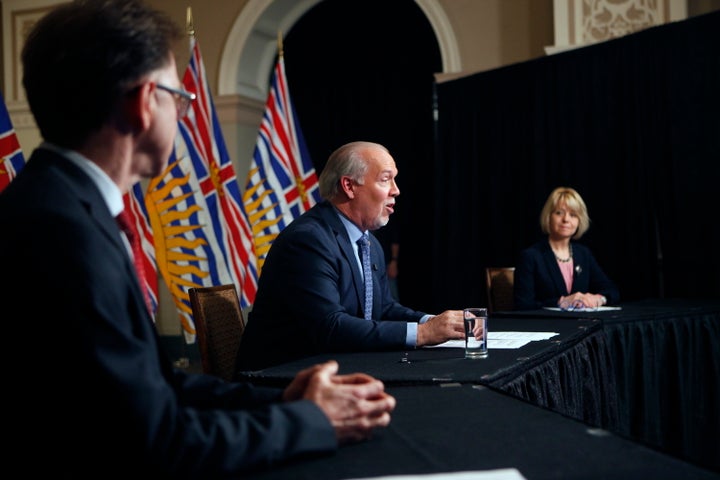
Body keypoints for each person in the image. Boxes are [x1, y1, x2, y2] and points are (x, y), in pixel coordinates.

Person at [0, 1, 395, 476]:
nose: (185, 114)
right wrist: (310, 422)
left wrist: (279, 396)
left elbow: (155, 384)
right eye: (179, 97)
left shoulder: (66, 204)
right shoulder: (61, 230)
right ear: (146, 103)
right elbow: (154, 441)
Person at [235, 141, 465, 372]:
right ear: (349, 186)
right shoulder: (308, 241)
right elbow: (330, 326)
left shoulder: (369, 242)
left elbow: (383, 308)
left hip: (337, 368)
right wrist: (423, 334)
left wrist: (433, 322)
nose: (396, 190)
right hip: (283, 378)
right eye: (385, 179)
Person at [513, 186, 620, 310]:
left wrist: (599, 298)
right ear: (548, 217)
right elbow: (523, 305)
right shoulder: (531, 256)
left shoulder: (583, 254)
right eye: (559, 213)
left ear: (580, 221)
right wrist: (562, 301)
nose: (566, 219)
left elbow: (611, 290)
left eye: (573, 215)